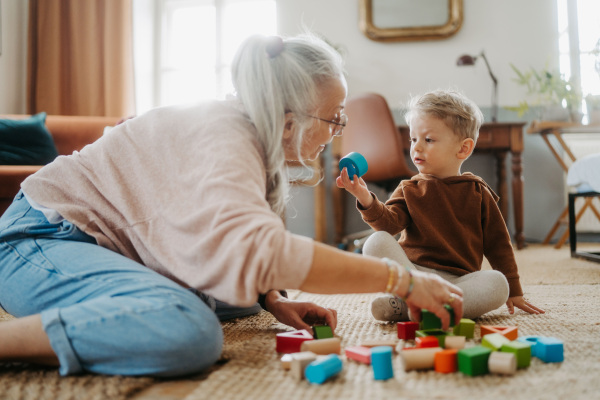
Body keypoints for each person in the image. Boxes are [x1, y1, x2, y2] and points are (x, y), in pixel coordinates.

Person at [0, 34, 463, 378]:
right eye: (334, 118)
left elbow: (224, 244)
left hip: (96, 246)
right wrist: (401, 279)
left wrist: (272, 299)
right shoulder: (226, 135)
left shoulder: (248, 138)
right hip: (37, 241)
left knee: (236, 296)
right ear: (288, 121)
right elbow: (265, 250)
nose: (338, 131)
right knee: (189, 330)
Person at [336, 89, 545, 323]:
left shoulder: (478, 192)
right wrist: (365, 197)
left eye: (428, 140)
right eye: (413, 139)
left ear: (463, 148)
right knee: (376, 242)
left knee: (498, 284)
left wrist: (514, 291)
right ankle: (424, 301)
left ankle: (410, 308)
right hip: (415, 275)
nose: (416, 147)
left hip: (459, 282)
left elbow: (499, 245)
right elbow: (387, 225)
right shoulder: (409, 188)